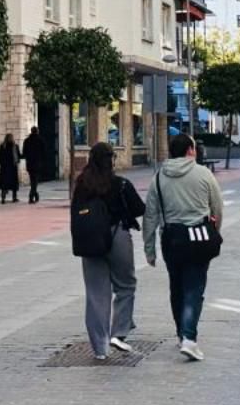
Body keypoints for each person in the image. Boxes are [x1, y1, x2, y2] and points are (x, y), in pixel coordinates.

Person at [144, 131, 225, 360]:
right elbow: (217, 207)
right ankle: (189, 338)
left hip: (171, 239)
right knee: (194, 288)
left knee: (177, 287)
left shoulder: (159, 177)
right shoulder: (204, 174)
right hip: (199, 238)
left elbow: (150, 215)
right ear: (190, 150)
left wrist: (149, 249)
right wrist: (215, 233)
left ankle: (181, 333)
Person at [72, 141, 144, 361]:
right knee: (126, 285)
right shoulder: (120, 184)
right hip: (118, 237)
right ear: (111, 160)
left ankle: (100, 347)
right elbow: (139, 209)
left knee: (96, 293)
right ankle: (119, 332)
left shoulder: (82, 184)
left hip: (90, 241)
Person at [0, 132, 22, 203]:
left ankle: (3, 198)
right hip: (13, 167)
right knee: (14, 183)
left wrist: (2, 164)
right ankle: (14, 198)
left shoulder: (2, 146)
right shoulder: (15, 146)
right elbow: (19, 155)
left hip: (5, 168)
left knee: (4, 184)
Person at [23, 125, 44, 204]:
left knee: (33, 181)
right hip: (37, 163)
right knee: (35, 181)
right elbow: (44, 152)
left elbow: (24, 153)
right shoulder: (40, 140)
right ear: (37, 131)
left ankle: (35, 194)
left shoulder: (27, 141)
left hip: (29, 164)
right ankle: (31, 196)